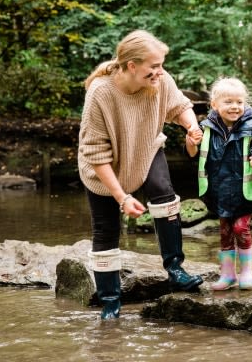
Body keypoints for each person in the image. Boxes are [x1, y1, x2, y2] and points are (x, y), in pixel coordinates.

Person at [78, 29, 204, 319]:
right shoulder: (101, 93)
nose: (160, 72)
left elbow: (179, 106)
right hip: (105, 170)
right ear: (131, 66)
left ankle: (175, 270)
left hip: (146, 150)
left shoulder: (159, 79)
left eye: (161, 65)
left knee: (164, 195)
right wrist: (122, 197)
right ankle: (110, 302)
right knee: (106, 230)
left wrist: (191, 127)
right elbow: (95, 155)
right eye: (154, 66)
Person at [186, 77, 252, 291]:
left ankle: (247, 272)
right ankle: (227, 274)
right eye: (228, 102)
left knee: (241, 227)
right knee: (224, 231)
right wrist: (190, 141)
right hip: (219, 190)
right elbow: (193, 154)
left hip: (244, 191)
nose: (235, 107)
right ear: (214, 104)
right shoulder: (205, 128)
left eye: (239, 102)